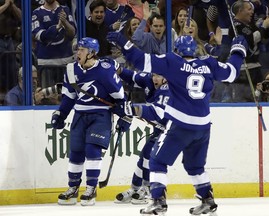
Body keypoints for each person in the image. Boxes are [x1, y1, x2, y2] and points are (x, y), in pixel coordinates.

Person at [106, 31, 248, 215]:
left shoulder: (173, 61)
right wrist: (238, 51)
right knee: (195, 166)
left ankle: (158, 201)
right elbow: (232, 73)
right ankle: (208, 201)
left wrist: (123, 42)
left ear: (177, 50)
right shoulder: (209, 63)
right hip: (203, 127)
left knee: (157, 161)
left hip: (180, 124)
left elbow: (141, 61)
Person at [51, 37, 131, 206]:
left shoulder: (105, 70)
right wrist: (61, 114)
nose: (77, 52)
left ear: (92, 53)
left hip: (100, 116)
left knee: (92, 150)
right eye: (77, 49)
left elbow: (120, 98)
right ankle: (73, 189)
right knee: (76, 153)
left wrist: (125, 116)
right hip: (79, 115)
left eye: (81, 49)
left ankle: (91, 189)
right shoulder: (71, 70)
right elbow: (69, 97)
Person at [114, 68, 169, 205]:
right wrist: (117, 69)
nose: (155, 78)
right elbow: (133, 76)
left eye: (159, 75)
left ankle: (148, 189)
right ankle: (135, 188)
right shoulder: (150, 81)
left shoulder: (169, 89)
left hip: (173, 130)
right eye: (154, 75)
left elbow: (157, 113)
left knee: (149, 155)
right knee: (144, 154)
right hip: (160, 128)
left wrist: (131, 109)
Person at [32, 0, 76, 88]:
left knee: (66, 93)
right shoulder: (36, 13)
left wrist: (65, 22)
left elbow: (72, 33)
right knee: (47, 96)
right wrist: (58, 27)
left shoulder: (65, 10)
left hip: (65, 61)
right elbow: (41, 36)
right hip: (46, 63)